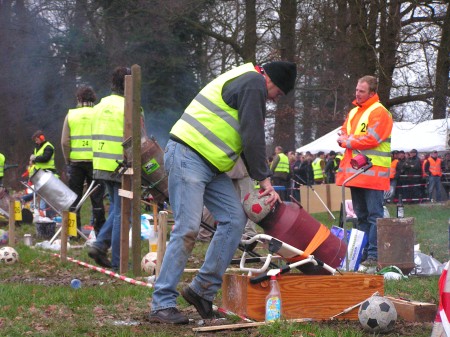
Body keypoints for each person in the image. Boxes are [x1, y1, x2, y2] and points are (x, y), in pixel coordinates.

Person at [149, 61, 296, 324]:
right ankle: (162, 304)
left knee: (234, 220)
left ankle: (201, 291)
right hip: (188, 155)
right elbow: (253, 135)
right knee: (188, 229)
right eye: (279, 94)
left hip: (212, 165)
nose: (275, 100)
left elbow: (246, 138)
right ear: (271, 81)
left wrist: (259, 176)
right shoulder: (254, 83)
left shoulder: (249, 80)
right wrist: (264, 179)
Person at [336, 75, 393, 266]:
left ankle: (374, 255)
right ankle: (360, 253)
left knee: (374, 216)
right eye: (356, 90)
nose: (357, 94)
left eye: (361, 91)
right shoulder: (354, 112)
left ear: (372, 92)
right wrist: (346, 138)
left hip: (374, 175)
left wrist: (348, 140)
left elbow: (372, 138)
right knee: (360, 216)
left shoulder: (380, 112)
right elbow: (344, 132)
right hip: (357, 173)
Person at [87, 66, 131, 270]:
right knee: (123, 212)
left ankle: (100, 245)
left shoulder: (100, 106)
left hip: (101, 165)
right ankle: (118, 262)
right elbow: (139, 140)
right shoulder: (130, 106)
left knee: (115, 208)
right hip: (121, 166)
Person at [61, 86, 106, 237]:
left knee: (73, 198)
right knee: (97, 199)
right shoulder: (99, 114)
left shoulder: (71, 115)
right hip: (96, 163)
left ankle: (74, 234)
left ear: (78, 99)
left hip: (76, 163)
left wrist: (68, 159)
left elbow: (65, 142)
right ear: (93, 99)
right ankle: (100, 233)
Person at [30, 130, 58, 217]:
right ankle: (41, 211)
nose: (36, 141)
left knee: (44, 194)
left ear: (41, 138)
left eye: (37, 139)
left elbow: (45, 158)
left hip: (47, 173)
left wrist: (34, 159)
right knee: (39, 193)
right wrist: (32, 161)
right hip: (39, 173)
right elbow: (36, 158)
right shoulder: (37, 148)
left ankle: (43, 212)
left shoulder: (48, 147)